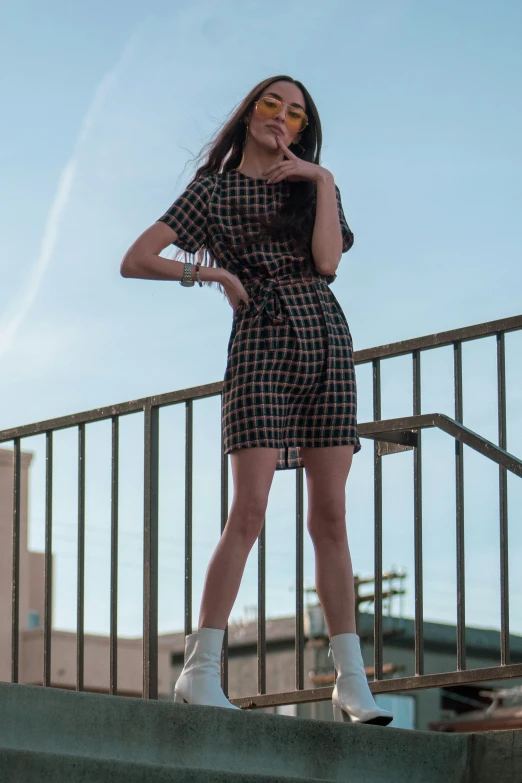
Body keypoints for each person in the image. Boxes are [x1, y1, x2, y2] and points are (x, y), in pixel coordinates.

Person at [120, 75, 393, 726]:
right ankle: (199, 670)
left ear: (302, 129)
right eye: (272, 104)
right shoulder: (212, 190)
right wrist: (209, 271)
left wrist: (322, 181)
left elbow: (327, 264)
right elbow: (137, 257)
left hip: (326, 336)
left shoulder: (312, 184)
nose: (283, 118)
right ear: (249, 114)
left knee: (331, 516)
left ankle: (351, 683)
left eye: (296, 113)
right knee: (249, 508)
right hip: (260, 342)